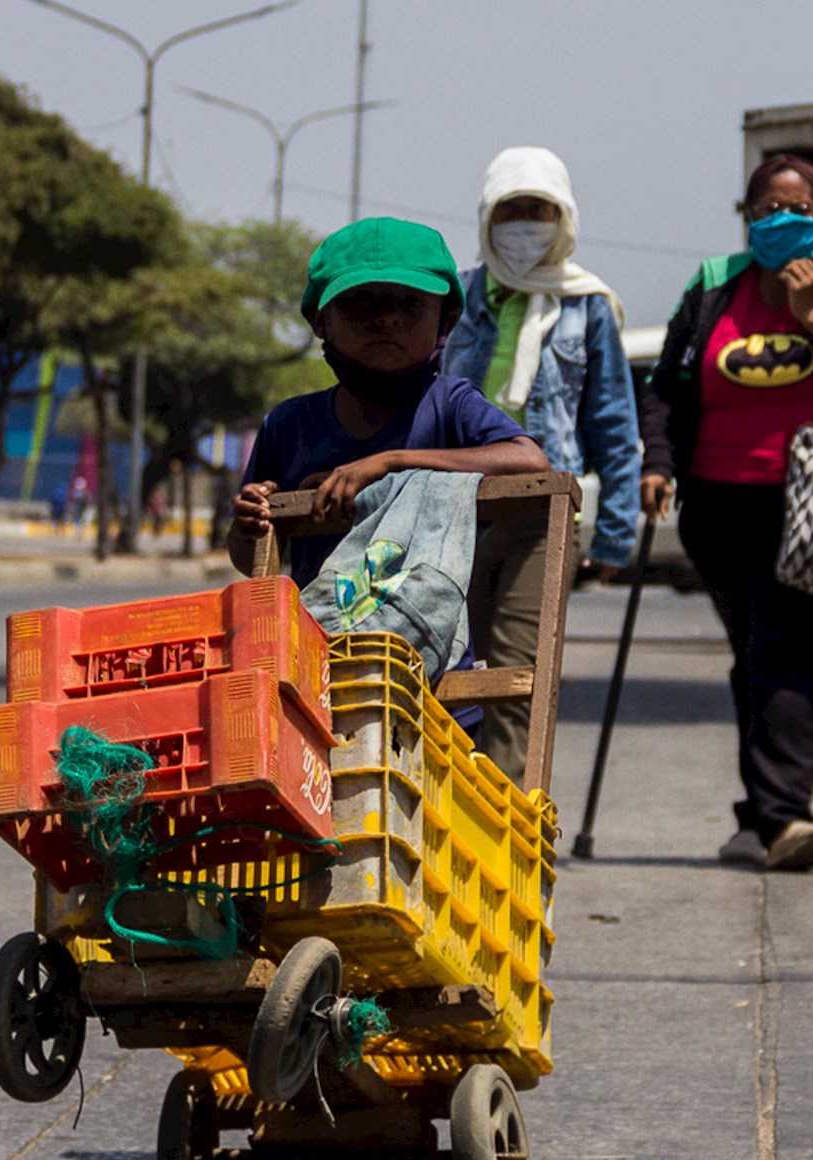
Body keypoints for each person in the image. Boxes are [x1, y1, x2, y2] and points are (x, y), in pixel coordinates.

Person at [641, 154, 813, 872]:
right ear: (745, 215)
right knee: (754, 657)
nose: (779, 221)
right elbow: (665, 385)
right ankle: (760, 815)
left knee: (784, 653)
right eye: (765, 210)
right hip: (719, 505)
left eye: (797, 210)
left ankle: (784, 816)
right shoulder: (711, 285)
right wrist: (658, 463)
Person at [445, 146, 641, 786]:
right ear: (486, 217)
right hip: (451, 504)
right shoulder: (457, 299)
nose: (524, 223)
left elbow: (612, 423)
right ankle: (447, 812)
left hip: (543, 511)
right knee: (445, 670)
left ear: (563, 219)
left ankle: (508, 827)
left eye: (539, 210)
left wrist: (616, 528)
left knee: (520, 675)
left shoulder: (587, 307)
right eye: (511, 210)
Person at [229, 217, 550, 591]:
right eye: (362, 301)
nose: (388, 317)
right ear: (320, 320)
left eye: (411, 303)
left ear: (444, 322)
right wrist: (249, 526)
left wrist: (390, 465)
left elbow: (530, 462)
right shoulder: (288, 425)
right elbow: (248, 560)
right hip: (318, 641)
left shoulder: (451, 405)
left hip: (434, 647)